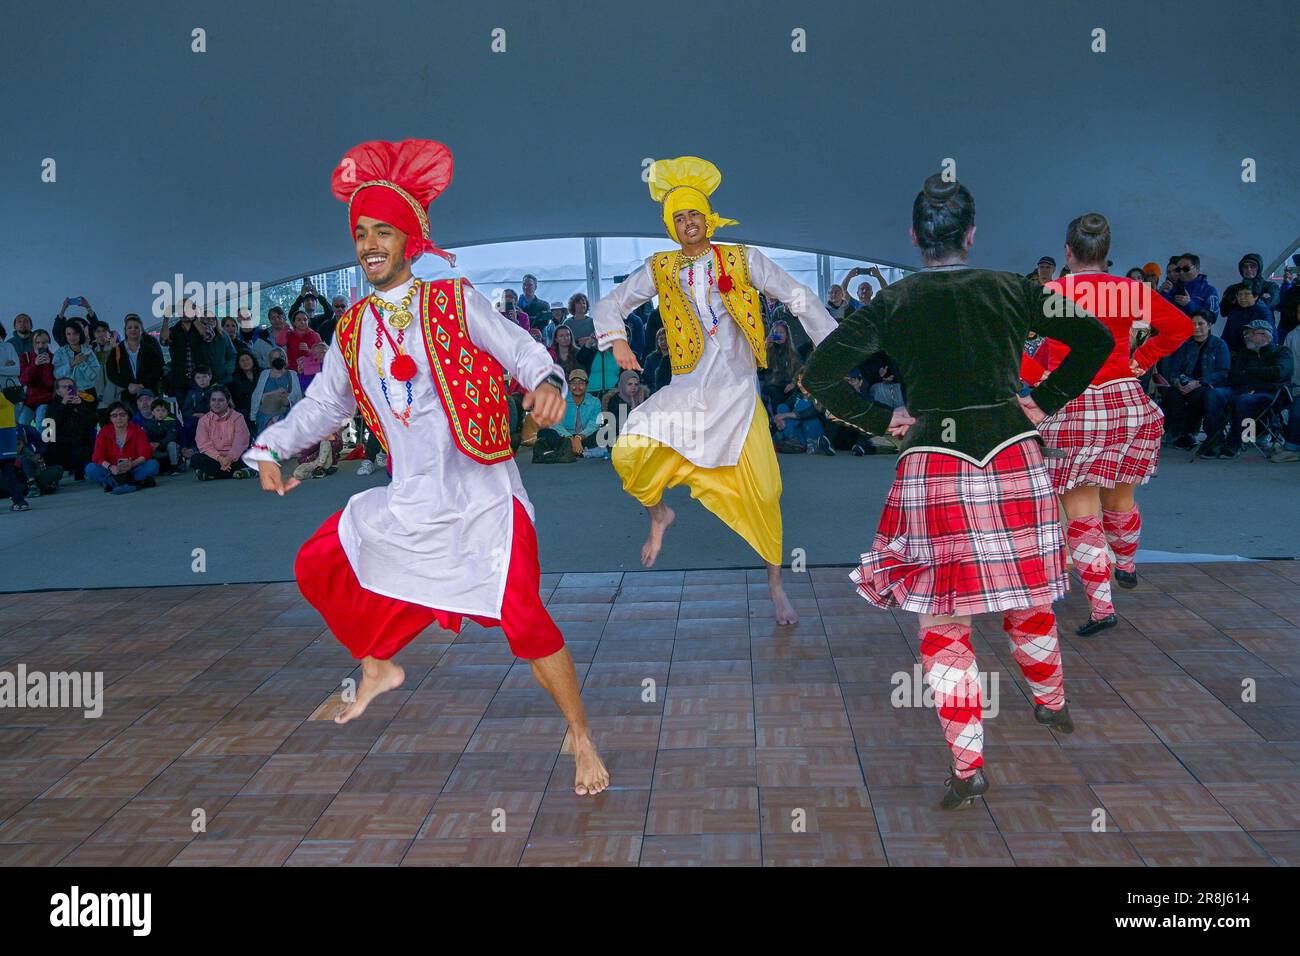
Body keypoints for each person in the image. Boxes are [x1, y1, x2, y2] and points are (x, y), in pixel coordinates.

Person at [242, 138, 607, 795]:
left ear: (409, 240)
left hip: (486, 500)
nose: (370, 243)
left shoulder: (452, 302)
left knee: (526, 623)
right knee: (318, 562)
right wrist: (270, 447)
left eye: (384, 231)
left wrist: (547, 379)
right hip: (411, 500)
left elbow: (521, 349)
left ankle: (579, 734)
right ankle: (378, 663)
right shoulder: (352, 330)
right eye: (361, 233)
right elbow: (323, 407)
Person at [799, 174, 1111, 810]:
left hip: (934, 466)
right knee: (1028, 596)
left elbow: (817, 374)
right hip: (1012, 458)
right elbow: (1097, 342)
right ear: (972, 235)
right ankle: (1051, 705)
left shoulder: (895, 302)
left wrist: (879, 420)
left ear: (915, 238)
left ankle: (968, 768)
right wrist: (1042, 400)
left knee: (945, 621)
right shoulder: (1014, 289)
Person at [592, 156, 837, 624]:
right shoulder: (660, 268)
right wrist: (617, 339)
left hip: (739, 394)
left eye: (694, 214)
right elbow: (613, 302)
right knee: (629, 451)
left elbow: (795, 294)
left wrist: (833, 344)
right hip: (687, 390)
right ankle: (659, 513)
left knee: (765, 492)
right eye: (678, 217)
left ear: (708, 218)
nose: (688, 223)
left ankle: (775, 583)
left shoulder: (743, 258)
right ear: (671, 226)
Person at [1019, 213, 1192, 635]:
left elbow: (1011, 346)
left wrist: (1038, 376)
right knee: (1121, 493)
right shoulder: (1130, 290)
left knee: (1080, 511)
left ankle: (1102, 609)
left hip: (1072, 404)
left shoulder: (1051, 291)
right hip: (1125, 401)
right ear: (1106, 254)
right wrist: (1141, 360)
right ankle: (1128, 564)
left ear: (1067, 252)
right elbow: (1181, 327)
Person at [1199, 320, 1294, 459]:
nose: (1247, 336)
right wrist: (1259, 375)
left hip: (1268, 394)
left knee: (1245, 400)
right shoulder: (1244, 353)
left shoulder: (1282, 351)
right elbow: (1235, 375)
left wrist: (1250, 372)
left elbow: (1279, 372)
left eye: (1251, 332)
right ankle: (1215, 440)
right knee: (1214, 394)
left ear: (1266, 335)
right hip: (1241, 389)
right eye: (1246, 333)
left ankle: (1234, 443)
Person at [1156, 309, 1230, 448]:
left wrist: (1198, 382)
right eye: (1193, 324)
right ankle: (1177, 433)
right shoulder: (1185, 344)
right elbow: (1175, 370)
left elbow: (1222, 372)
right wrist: (1177, 382)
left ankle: (1190, 433)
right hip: (1185, 382)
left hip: (1207, 384)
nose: (1196, 328)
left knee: (1198, 395)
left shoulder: (1219, 345)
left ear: (1209, 325)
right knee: (1171, 394)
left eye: (1200, 324)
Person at [86, 401, 160, 494]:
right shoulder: (104, 432)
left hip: (133, 469)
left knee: (153, 465)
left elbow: (145, 454)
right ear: (110, 418)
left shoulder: (137, 430)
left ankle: (114, 484)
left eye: (122, 414)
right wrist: (110, 467)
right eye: (114, 415)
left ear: (128, 416)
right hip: (113, 471)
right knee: (90, 468)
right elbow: (97, 457)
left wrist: (132, 464)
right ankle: (135, 484)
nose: (119, 418)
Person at [536, 367, 603, 458]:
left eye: (581, 383)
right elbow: (556, 424)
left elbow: (594, 424)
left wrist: (579, 437)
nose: (577, 387)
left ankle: (567, 450)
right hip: (565, 438)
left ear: (587, 385)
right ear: (568, 385)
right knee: (544, 433)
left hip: (585, 437)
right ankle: (575, 449)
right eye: (573, 383)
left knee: (604, 433)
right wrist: (570, 438)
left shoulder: (595, 402)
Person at [43, 377, 100, 481]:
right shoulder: (52, 405)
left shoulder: (81, 402)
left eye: (71, 387)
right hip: (59, 441)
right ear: (58, 391)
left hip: (80, 440)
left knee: (88, 439)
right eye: (64, 387)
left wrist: (81, 406)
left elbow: (91, 422)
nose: (69, 389)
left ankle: (82, 471)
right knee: (49, 440)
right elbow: (50, 424)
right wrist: (63, 404)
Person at [192, 386, 252, 479]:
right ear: (209, 402)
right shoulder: (203, 421)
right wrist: (220, 459)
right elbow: (204, 445)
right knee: (195, 459)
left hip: (235, 458)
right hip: (214, 458)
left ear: (227, 401)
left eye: (220, 400)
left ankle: (212, 474)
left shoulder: (238, 417)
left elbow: (240, 442)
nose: (216, 403)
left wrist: (229, 458)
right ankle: (236, 473)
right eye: (213, 400)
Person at [105, 314, 165, 400]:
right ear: (125, 331)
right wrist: (127, 385)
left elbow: (158, 370)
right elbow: (111, 372)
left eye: (136, 327)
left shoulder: (149, 349)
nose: (133, 329)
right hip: (126, 394)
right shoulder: (117, 350)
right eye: (130, 327)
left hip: (148, 394)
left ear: (141, 330)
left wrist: (142, 385)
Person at [250, 347, 303, 434]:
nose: (278, 359)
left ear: (285, 359)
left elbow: (296, 397)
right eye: (275, 358)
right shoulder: (264, 374)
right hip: (265, 414)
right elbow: (258, 396)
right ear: (271, 360)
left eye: (281, 357)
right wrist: (275, 393)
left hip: (285, 414)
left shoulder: (292, 374)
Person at [17, 330, 57, 429]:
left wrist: (48, 365)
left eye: (44, 342)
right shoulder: (25, 357)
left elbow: (50, 383)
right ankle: (27, 444)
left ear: (48, 343)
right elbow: (24, 380)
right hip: (29, 400)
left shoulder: (54, 358)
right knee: (22, 424)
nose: (40, 346)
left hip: (47, 399)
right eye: (37, 342)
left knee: (42, 424)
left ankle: (47, 443)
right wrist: (34, 365)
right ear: (33, 343)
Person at [53, 321, 100, 401]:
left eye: (75, 333)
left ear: (80, 334)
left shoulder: (88, 352)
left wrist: (83, 364)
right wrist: (72, 364)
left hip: (88, 391)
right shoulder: (59, 352)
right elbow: (56, 374)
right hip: (68, 391)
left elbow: (95, 376)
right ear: (65, 335)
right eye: (69, 334)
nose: (72, 337)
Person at [143, 398, 181, 475]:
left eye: (163, 411)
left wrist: (160, 443)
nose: (161, 413)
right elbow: (145, 436)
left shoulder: (171, 421)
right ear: (153, 412)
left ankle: (174, 466)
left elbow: (172, 435)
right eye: (158, 410)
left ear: (167, 412)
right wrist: (151, 443)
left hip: (166, 448)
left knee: (172, 444)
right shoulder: (148, 424)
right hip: (155, 449)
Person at [228, 351, 261, 429]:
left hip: (262, 407)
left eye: (247, 359)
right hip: (245, 409)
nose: (245, 362)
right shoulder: (234, 378)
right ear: (238, 364)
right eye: (242, 360)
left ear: (253, 360)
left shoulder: (262, 373)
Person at [641, 327, 673, 393]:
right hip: (654, 392)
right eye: (661, 339)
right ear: (657, 341)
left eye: (666, 339)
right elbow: (646, 379)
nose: (664, 342)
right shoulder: (650, 358)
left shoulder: (675, 357)